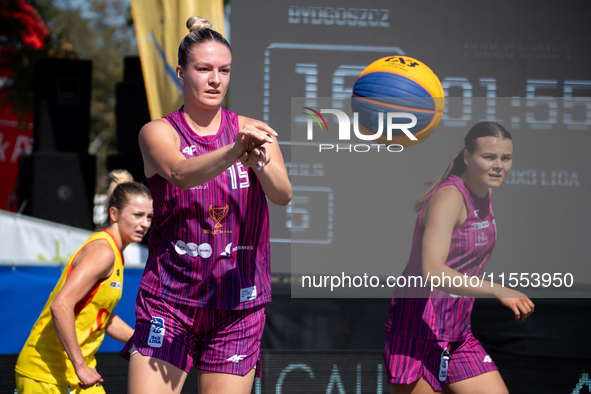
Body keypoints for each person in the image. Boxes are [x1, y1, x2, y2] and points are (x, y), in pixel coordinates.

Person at [119, 15, 291, 394]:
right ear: (181, 72)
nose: (215, 79)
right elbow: (180, 173)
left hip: (238, 303)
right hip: (170, 299)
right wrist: (234, 151)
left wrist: (259, 162)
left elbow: (282, 195)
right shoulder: (158, 131)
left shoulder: (252, 131)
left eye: (224, 70)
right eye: (204, 69)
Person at [384, 122, 535, 394]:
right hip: (417, 332)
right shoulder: (449, 198)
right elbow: (432, 271)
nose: (499, 165)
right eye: (489, 157)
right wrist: (497, 289)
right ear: (468, 157)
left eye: (506, 158)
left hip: (458, 335)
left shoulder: (485, 194)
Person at [15, 170, 153, 393]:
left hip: (77, 375)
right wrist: (80, 366)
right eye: (137, 215)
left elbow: (100, 314)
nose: (145, 224)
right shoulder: (103, 251)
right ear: (114, 214)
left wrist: (140, 341)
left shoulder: (115, 253)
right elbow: (61, 306)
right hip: (46, 376)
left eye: (149, 217)